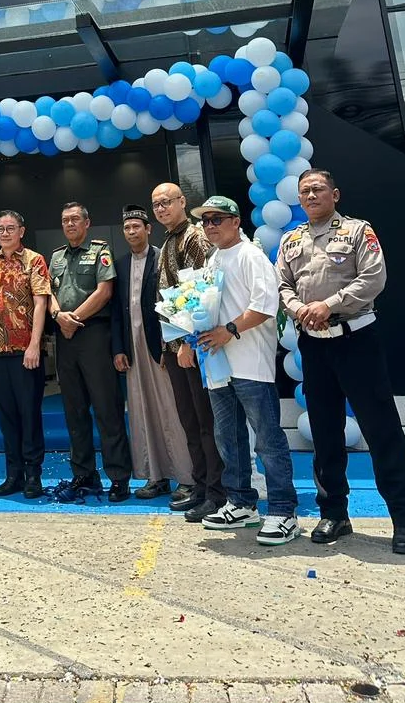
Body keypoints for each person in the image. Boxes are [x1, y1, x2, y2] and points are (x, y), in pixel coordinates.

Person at [277, 169, 405, 554]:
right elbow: (283, 286)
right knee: (325, 431)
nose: (311, 195)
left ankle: (404, 518)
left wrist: (328, 304)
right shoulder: (291, 240)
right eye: (304, 191)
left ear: (335, 194)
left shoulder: (358, 231)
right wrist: (299, 309)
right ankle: (334, 513)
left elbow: (373, 279)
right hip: (314, 345)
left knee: (381, 428)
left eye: (317, 189)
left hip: (356, 341)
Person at [188, 195, 300, 546]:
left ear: (236, 222)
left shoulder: (251, 255)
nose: (209, 226)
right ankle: (241, 503)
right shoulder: (212, 259)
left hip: (251, 362)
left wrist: (229, 330)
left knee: (267, 439)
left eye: (217, 219)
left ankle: (283, 510)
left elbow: (265, 305)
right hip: (218, 364)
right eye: (205, 221)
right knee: (229, 438)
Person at [48, 202, 132, 502]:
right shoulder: (56, 256)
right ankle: (83, 474)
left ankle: (119, 476)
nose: (70, 224)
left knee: (107, 408)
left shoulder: (100, 251)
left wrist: (74, 319)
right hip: (65, 337)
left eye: (75, 219)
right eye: (65, 220)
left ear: (87, 223)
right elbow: (49, 293)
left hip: (94, 334)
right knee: (74, 411)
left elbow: (104, 291)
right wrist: (59, 317)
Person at [151, 181, 224, 522]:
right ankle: (200, 485)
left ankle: (216, 492)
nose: (161, 208)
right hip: (174, 346)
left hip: (193, 347)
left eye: (167, 201)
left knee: (205, 421)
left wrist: (185, 343)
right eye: (156, 204)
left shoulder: (194, 237)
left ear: (182, 201)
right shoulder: (168, 240)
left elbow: (200, 293)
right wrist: (167, 347)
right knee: (189, 421)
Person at [112, 206, 194, 501]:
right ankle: (155, 476)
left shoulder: (162, 258)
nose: (131, 232)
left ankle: (186, 477)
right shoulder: (120, 265)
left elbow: (176, 303)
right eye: (127, 228)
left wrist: (170, 344)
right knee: (141, 412)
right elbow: (116, 311)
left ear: (148, 229)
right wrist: (118, 349)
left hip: (160, 347)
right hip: (132, 350)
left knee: (171, 411)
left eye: (137, 226)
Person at [0, 209, 51, 499]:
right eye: (0, 228)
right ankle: (13, 475)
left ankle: (33, 475)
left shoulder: (34, 261)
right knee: (6, 417)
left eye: (10, 228)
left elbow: (41, 303)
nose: (5, 233)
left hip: (26, 353)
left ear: (21, 231)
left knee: (29, 415)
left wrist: (34, 344)